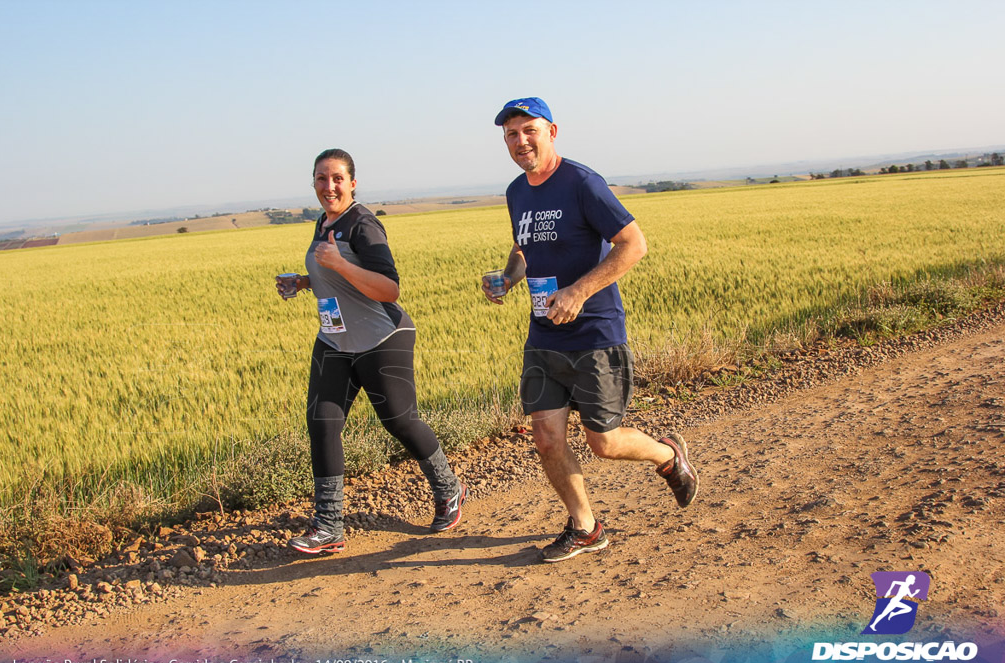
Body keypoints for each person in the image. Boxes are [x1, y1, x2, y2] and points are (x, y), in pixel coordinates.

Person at [482, 98, 699, 563]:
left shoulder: (582, 182)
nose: (520, 141)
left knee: (604, 442)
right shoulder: (517, 191)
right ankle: (586, 527)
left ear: (552, 131)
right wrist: (508, 277)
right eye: (510, 134)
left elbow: (633, 244)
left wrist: (579, 292)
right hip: (544, 334)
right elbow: (525, 248)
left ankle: (667, 455)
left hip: (595, 334)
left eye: (529, 130)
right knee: (545, 437)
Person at [278, 148, 466, 554]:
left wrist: (340, 265)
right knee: (322, 423)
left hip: (382, 338)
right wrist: (304, 282)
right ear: (313, 182)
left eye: (337, 179)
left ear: (352, 182)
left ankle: (449, 489)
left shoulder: (364, 224)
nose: (329, 186)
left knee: (400, 421)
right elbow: (337, 276)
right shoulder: (323, 222)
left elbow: (389, 288)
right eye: (321, 179)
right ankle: (328, 526)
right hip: (335, 340)